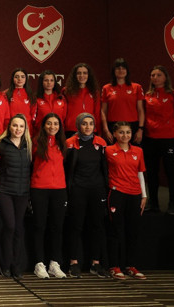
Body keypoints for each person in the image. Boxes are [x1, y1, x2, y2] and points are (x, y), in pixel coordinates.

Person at [64, 112, 109, 278]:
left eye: (91, 123)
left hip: (97, 190)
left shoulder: (101, 143)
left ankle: (95, 263)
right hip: (78, 190)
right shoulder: (70, 143)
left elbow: (105, 169)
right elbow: (66, 169)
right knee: (76, 226)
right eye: (84, 123)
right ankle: (73, 263)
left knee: (97, 225)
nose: (88, 126)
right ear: (78, 125)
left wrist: (106, 189)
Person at [106, 122, 148, 280]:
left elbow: (140, 174)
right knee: (115, 231)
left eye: (128, 132)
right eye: (121, 132)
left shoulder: (138, 151)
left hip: (135, 195)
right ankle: (114, 266)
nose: (125, 135)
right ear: (115, 134)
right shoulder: (109, 150)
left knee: (133, 232)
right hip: (117, 193)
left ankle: (131, 266)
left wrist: (144, 195)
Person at [142, 65, 174, 215]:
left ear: (165, 77)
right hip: (150, 140)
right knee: (152, 173)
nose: (155, 77)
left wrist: (171, 131)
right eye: (153, 75)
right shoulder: (147, 96)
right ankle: (153, 203)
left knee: (171, 172)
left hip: (169, 140)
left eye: (159, 75)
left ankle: (173, 204)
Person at [30, 113, 68, 279]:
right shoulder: (36, 143)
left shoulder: (63, 143)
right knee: (39, 226)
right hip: (39, 189)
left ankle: (54, 263)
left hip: (59, 190)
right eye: (49, 124)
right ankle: (39, 264)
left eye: (56, 124)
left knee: (57, 227)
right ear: (43, 125)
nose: (52, 127)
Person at [0, 114, 33, 280]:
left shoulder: (29, 146)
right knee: (9, 226)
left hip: (23, 193)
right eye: (15, 126)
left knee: (19, 228)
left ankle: (16, 266)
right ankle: (5, 264)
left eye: (21, 126)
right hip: (5, 191)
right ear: (9, 127)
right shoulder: (1, 145)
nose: (18, 129)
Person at [100, 58, 145, 145]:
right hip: (113, 126)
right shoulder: (106, 88)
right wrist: (106, 130)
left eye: (123, 68)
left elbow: (140, 110)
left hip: (132, 126)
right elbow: (103, 111)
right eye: (118, 68)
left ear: (127, 70)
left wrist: (140, 129)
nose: (121, 70)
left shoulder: (137, 87)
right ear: (114, 71)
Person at [62, 63, 101, 138]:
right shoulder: (66, 91)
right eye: (79, 73)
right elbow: (63, 113)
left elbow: (97, 113)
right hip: (71, 129)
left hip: (90, 129)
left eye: (85, 73)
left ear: (89, 75)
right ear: (74, 76)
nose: (82, 76)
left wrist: (99, 131)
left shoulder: (94, 92)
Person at [5, 69, 35, 133]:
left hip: (27, 129)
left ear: (26, 79)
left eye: (22, 77)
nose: (19, 79)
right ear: (12, 79)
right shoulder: (6, 94)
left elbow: (33, 115)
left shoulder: (31, 95)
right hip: (11, 129)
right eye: (16, 77)